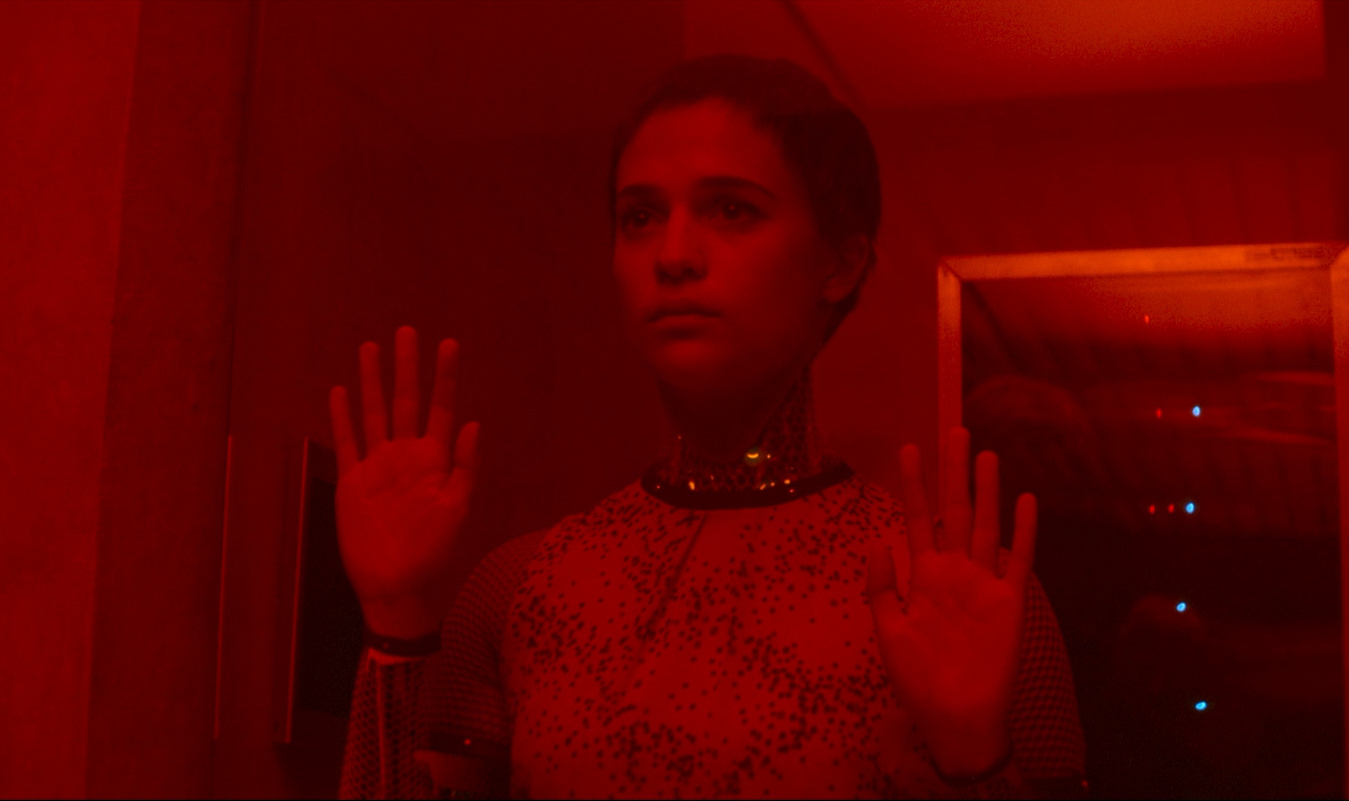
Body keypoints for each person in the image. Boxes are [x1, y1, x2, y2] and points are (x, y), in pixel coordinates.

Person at [329, 55, 1084, 798]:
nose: (673, 255)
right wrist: (396, 620)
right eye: (640, 216)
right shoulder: (521, 589)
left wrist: (971, 753)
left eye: (732, 210)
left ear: (840, 264)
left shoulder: (959, 596)